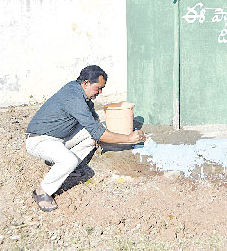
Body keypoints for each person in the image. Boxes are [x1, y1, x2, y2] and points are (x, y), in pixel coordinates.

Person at [25, 65, 145, 212]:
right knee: (69, 160)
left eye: (102, 88)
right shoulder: (73, 97)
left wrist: (105, 132)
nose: (100, 92)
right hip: (39, 140)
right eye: (98, 88)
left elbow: (95, 124)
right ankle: (42, 192)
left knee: (90, 138)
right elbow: (98, 132)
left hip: (57, 137)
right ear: (86, 83)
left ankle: (62, 164)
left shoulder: (81, 93)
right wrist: (128, 138)